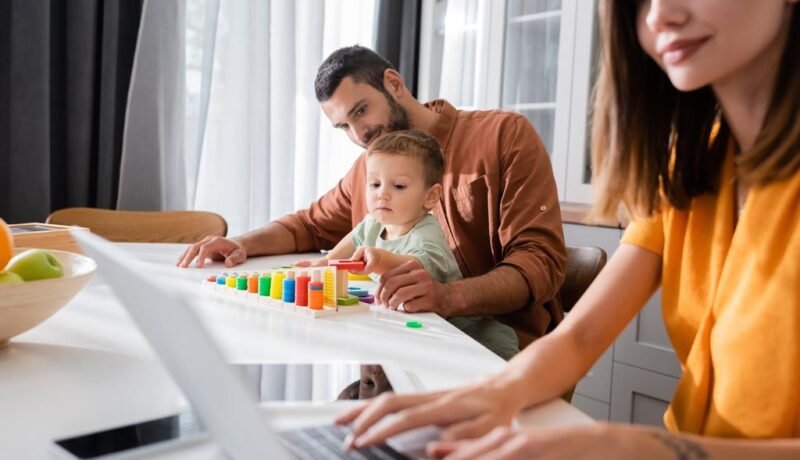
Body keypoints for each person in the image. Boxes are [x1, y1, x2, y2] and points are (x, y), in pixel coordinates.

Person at [334, 0, 800, 458]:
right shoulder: (689, 168)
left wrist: (629, 444)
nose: (660, 15)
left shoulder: (503, 134)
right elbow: (578, 338)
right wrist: (487, 394)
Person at [177, 45, 567, 347]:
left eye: (361, 110)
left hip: (500, 350)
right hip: (404, 342)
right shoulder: (370, 167)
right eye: (344, 126)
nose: (358, 134)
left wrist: (447, 297)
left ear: (394, 84)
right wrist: (239, 244)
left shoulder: (502, 136)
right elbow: (308, 226)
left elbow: (541, 262)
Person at [296, 129, 519, 360]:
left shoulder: (426, 232)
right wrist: (325, 261)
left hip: (470, 334)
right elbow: (354, 239)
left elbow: (419, 267)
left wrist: (381, 260)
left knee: (501, 376)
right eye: (374, 184)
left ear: (430, 197)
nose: (382, 195)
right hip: (423, 332)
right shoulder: (373, 223)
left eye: (399, 186)